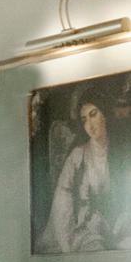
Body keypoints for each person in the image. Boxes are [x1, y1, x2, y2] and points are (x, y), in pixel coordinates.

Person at [37, 87, 126, 253]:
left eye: (93, 114)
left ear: (105, 114)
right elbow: (62, 198)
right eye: (84, 120)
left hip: (118, 227)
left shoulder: (122, 150)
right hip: (85, 229)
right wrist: (69, 242)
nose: (89, 125)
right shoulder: (78, 156)